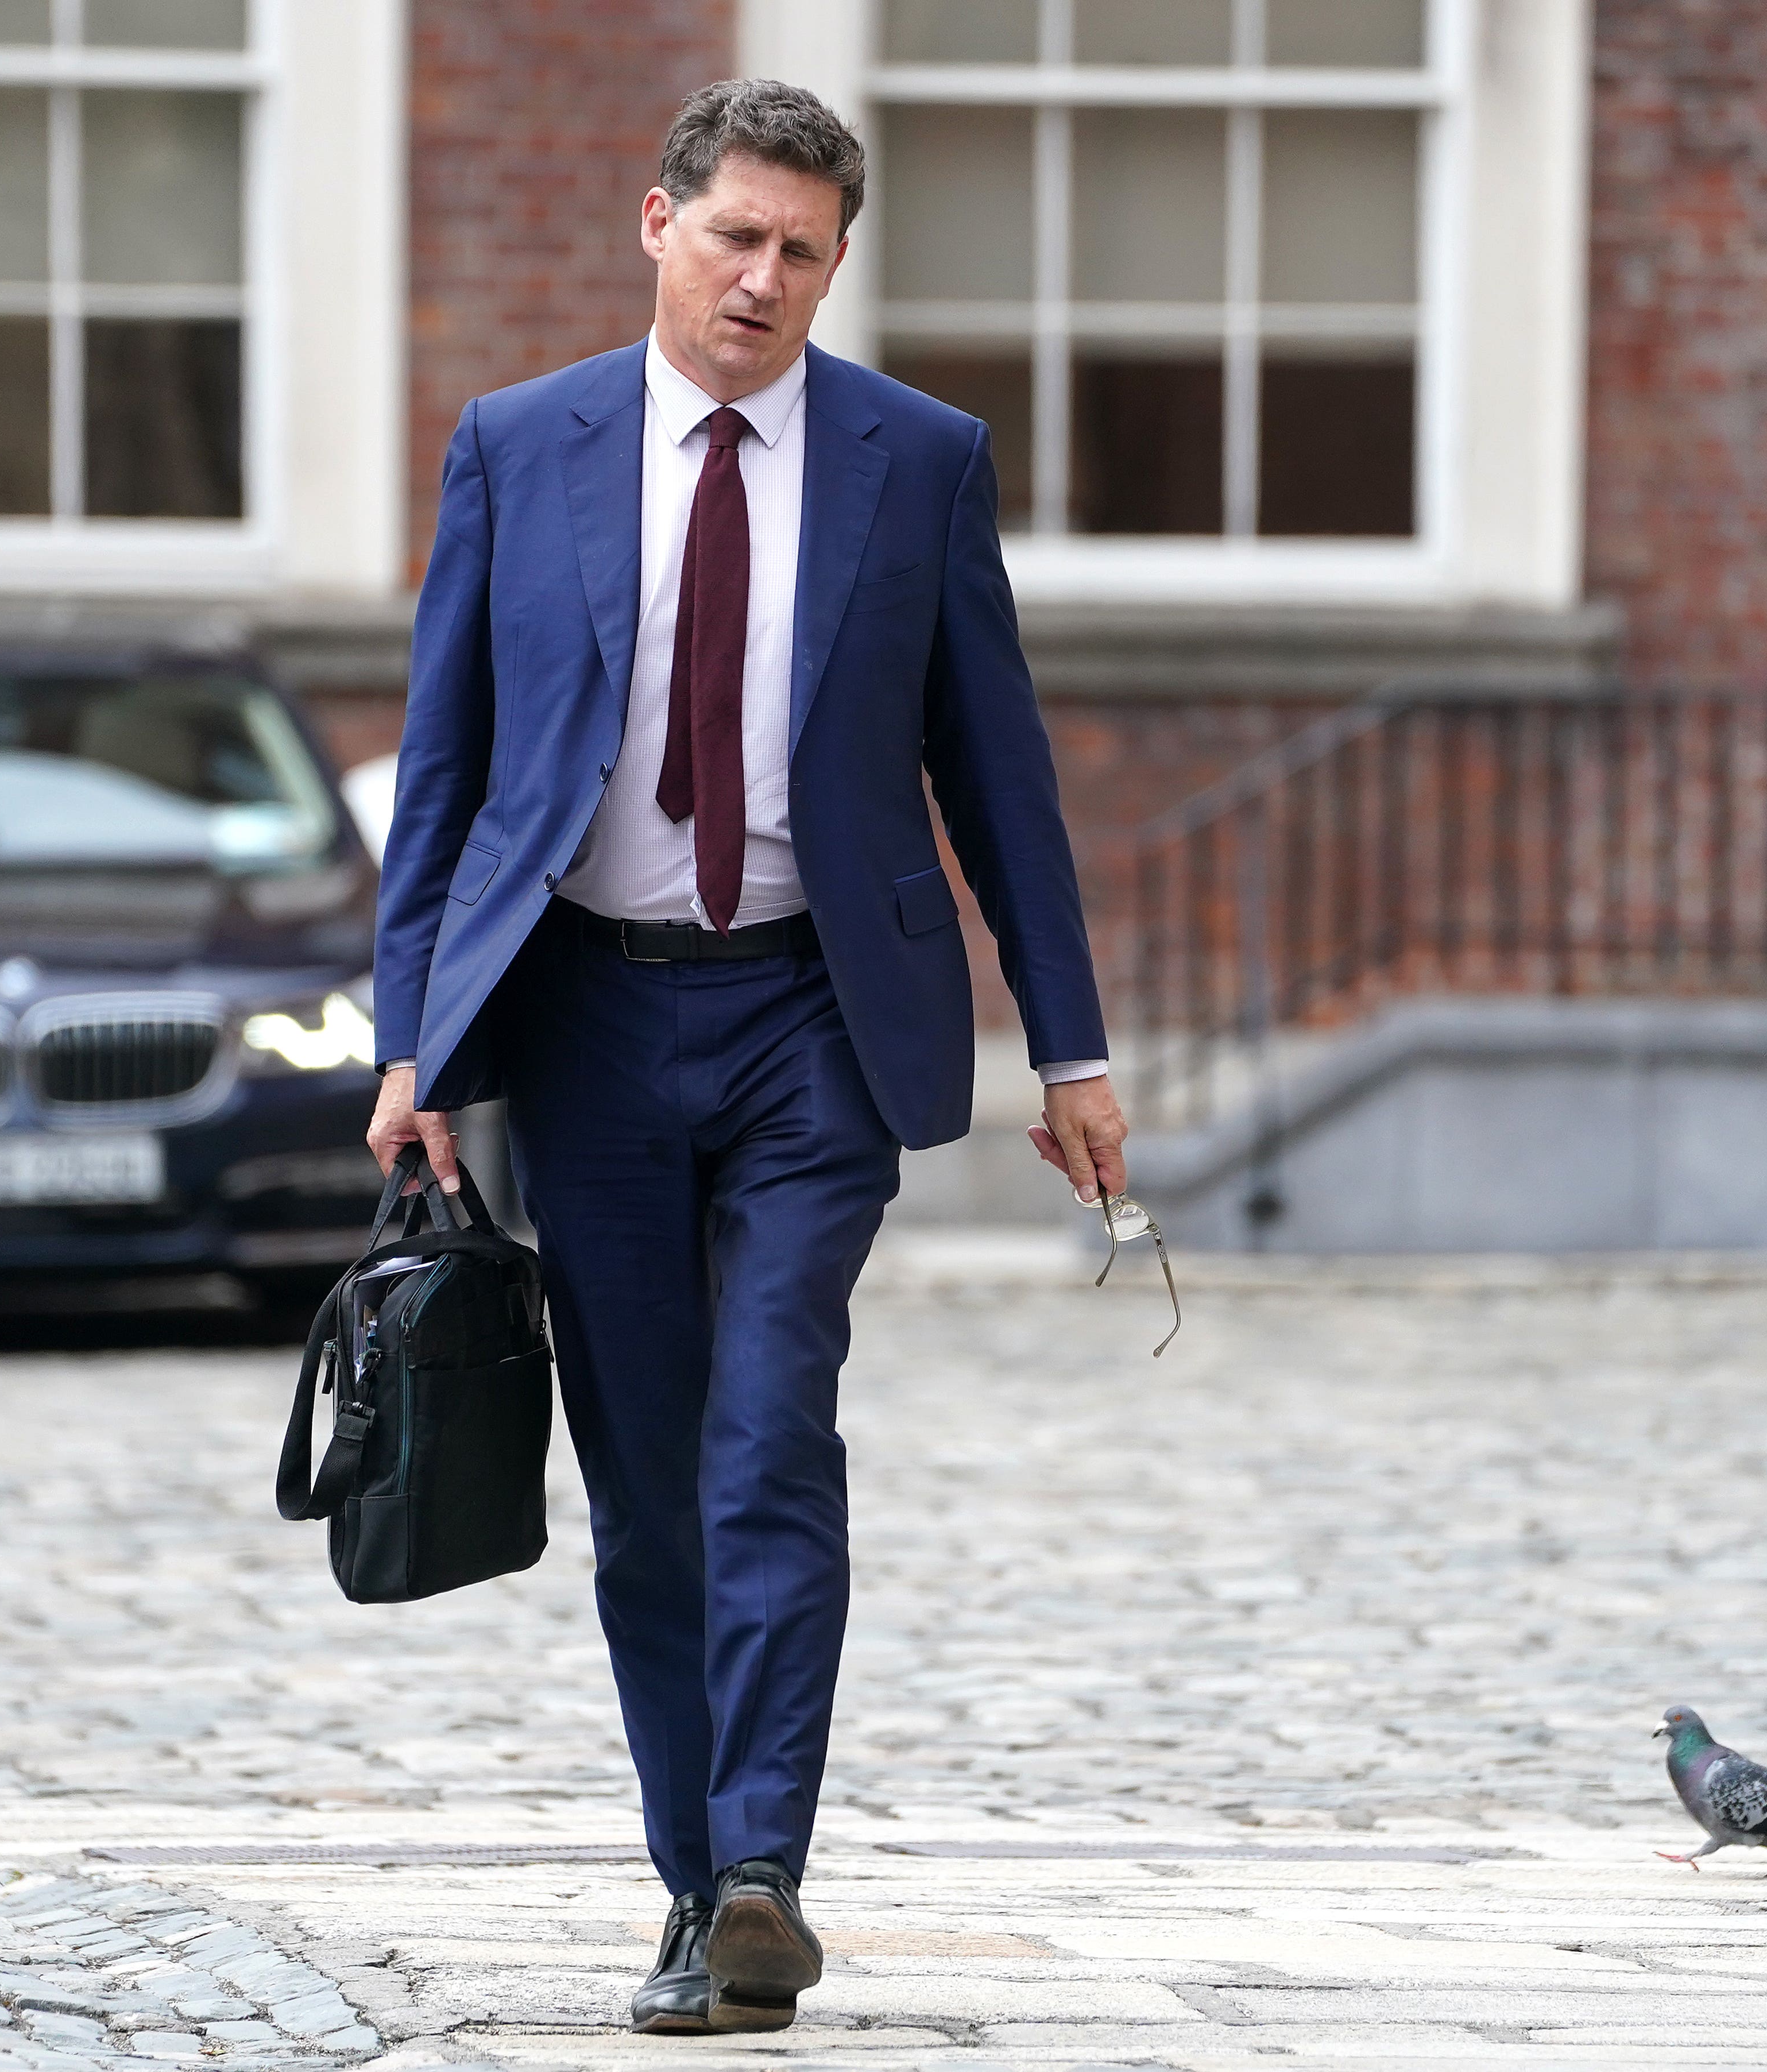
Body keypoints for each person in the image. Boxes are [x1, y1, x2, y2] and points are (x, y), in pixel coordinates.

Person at [366, 78, 1129, 2037]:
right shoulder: (518, 449)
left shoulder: (917, 460)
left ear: (837, 267)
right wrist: (414, 1043)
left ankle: (766, 1860)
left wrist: (1071, 1048)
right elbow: (445, 774)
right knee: (642, 1484)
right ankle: (697, 1886)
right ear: (656, 224)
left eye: (802, 252)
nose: (763, 281)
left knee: (770, 1423)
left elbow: (1000, 778)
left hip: (814, 1011)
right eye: (735, 238)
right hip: (589, 1020)